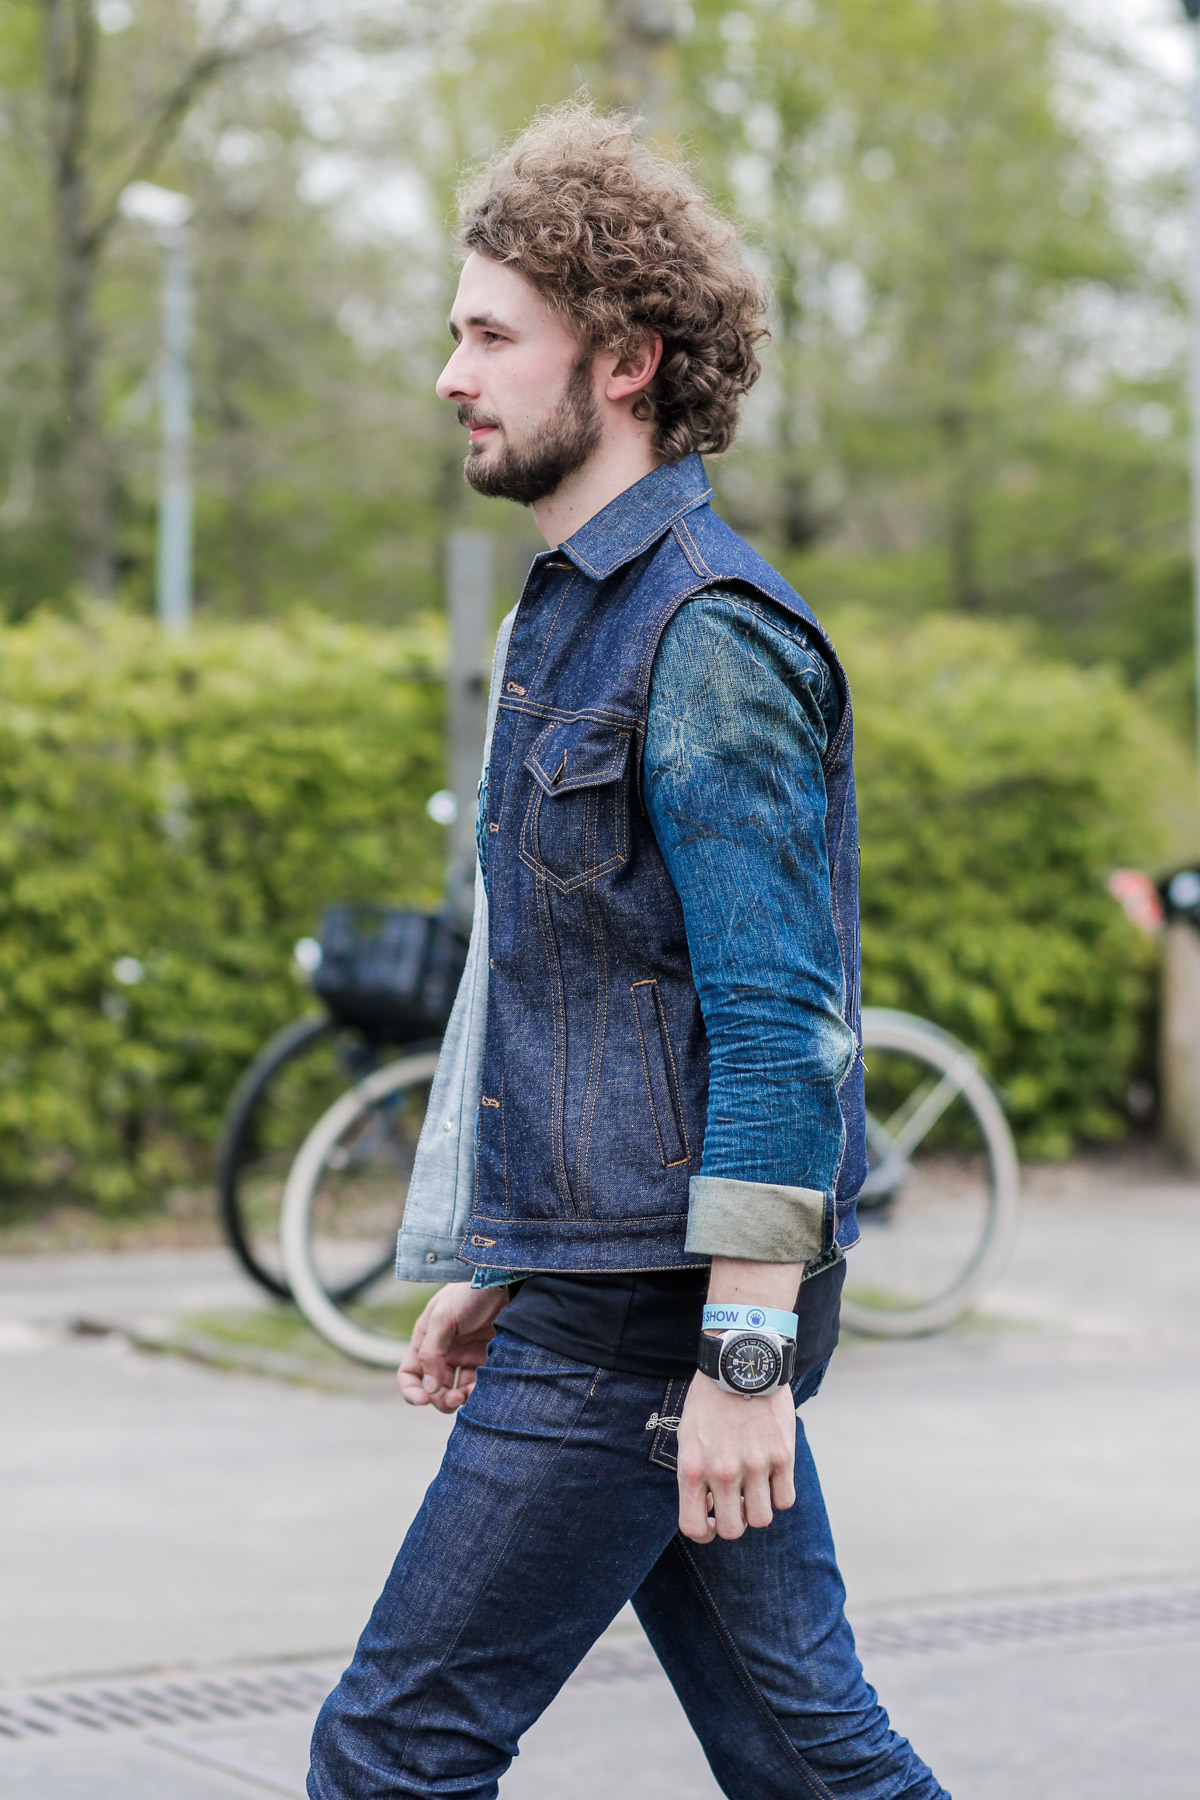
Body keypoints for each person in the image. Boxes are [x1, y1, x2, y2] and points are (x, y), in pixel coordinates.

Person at [308, 101, 948, 1800]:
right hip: (603, 1288)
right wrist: (509, 1252)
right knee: (808, 1757)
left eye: (490, 336)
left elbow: (781, 1028)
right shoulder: (576, 614)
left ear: (624, 363)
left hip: (650, 1327)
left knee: (387, 1760)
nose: (450, 375)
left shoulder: (705, 632)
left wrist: (742, 1360)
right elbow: (592, 996)